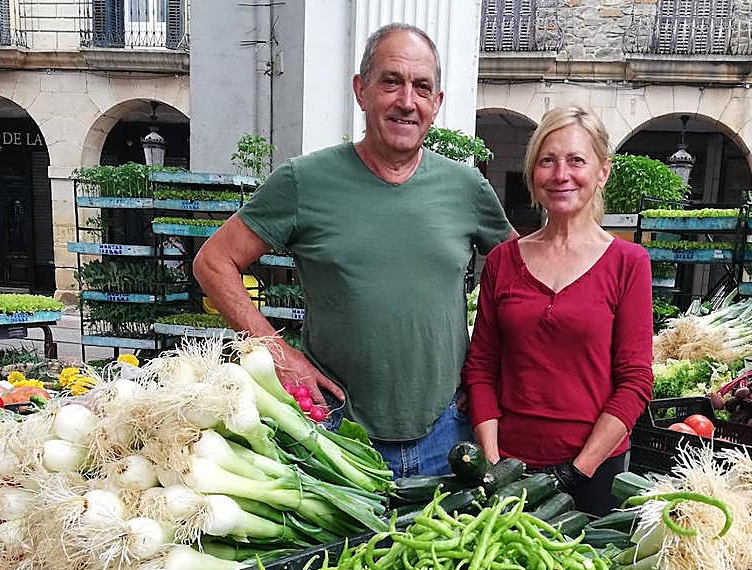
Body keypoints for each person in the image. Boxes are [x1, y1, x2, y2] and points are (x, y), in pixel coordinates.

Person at [193, 23, 513, 478]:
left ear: (437, 104)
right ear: (360, 91)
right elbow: (213, 261)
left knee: (443, 551)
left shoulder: (466, 187)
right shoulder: (304, 182)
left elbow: (524, 280)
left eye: (422, 87)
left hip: (448, 433)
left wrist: (490, 371)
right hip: (339, 434)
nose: (407, 101)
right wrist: (278, 353)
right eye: (391, 81)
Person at [461, 106, 653, 515]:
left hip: (595, 470)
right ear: (533, 173)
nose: (561, 174)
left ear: (602, 171)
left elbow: (635, 381)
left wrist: (576, 471)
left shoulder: (628, 263)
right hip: (509, 466)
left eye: (576, 160)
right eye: (547, 161)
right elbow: (481, 367)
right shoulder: (502, 261)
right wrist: (494, 462)